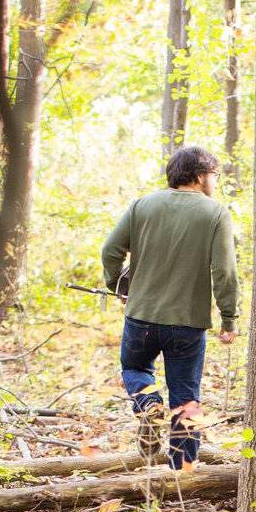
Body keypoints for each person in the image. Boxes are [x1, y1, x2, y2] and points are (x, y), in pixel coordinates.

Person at [102, 144, 239, 467]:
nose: (215, 181)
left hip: (140, 317)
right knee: (186, 399)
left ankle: (148, 403)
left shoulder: (142, 206)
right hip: (187, 324)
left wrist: (119, 285)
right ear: (200, 176)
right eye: (214, 175)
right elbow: (224, 272)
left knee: (134, 369)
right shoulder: (214, 213)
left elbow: (110, 251)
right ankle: (183, 473)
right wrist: (229, 318)